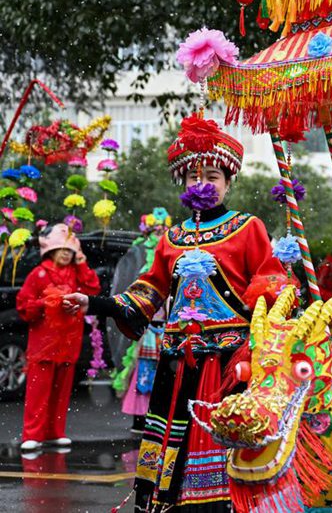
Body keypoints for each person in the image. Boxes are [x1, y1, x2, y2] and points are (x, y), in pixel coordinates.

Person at [62, 114, 283, 511]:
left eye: (213, 176)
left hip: (229, 363)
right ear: (183, 183)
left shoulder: (247, 227)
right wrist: (96, 303)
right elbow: (148, 292)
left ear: (229, 181)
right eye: (194, 177)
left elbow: (271, 282)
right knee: (172, 451)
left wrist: (270, 317)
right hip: (178, 364)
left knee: (227, 441)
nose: (203, 184)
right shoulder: (172, 238)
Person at [16, 224, 101, 451]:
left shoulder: (75, 272)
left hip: (68, 342)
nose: (66, 254)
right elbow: (24, 306)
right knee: (38, 392)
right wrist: (45, 304)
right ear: (51, 251)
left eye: (69, 250)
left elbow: (93, 288)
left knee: (61, 392)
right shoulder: (38, 273)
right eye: (62, 249)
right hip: (43, 344)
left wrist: (81, 261)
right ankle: (32, 434)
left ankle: (55, 432)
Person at [113, 209, 172, 433]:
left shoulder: (172, 258)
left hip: (165, 328)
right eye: (156, 231)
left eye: (164, 230)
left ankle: (158, 417)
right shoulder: (139, 257)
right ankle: (139, 417)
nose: (160, 234)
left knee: (163, 372)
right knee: (143, 372)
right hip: (147, 327)